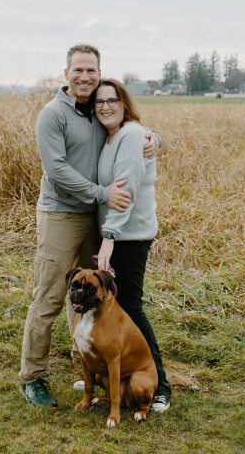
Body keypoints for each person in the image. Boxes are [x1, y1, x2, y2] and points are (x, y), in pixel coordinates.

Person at [19, 44, 161, 409]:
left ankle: (85, 360)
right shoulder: (53, 115)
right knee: (50, 296)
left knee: (87, 294)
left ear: (99, 74)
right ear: (66, 74)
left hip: (95, 217)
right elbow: (57, 169)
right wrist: (102, 193)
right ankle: (32, 378)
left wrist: (155, 137)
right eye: (78, 70)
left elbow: (128, 127)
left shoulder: (98, 110)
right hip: (61, 214)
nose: (85, 77)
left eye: (91, 71)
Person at [93, 78, 171, 412]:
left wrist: (108, 239)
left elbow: (125, 191)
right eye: (99, 102)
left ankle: (160, 385)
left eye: (112, 100)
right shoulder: (111, 136)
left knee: (131, 307)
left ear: (124, 103)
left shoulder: (131, 135)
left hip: (131, 235)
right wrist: (156, 135)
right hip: (117, 233)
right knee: (115, 307)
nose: (105, 107)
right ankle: (112, 373)